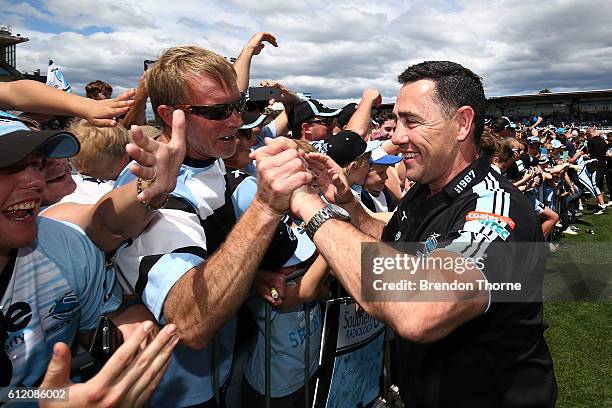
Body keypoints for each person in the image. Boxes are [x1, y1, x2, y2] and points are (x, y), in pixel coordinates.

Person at [257, 61, 556, 407]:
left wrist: (309, 206)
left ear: (461, 124)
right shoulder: (427, 188)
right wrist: (347, 205)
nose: (396, 137)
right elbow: (393, 240)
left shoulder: (497, 208)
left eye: (411, 121)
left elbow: (419, 310)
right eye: (396, 120)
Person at [114, 44, 312, 407]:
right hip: (176, 392)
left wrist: (249, 278)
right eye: (218, 111)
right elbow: (189, 322)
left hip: (225, 371)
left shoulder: (214, 161)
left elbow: (211, 252)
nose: (236, 121)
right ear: (169, 114)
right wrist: (266, 208)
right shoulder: (151, 188)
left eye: (236, 105)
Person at [0, 112, 179, 407]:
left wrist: (131, 333)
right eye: (6, 167)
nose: (34, 180)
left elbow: (108, 318)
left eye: (36, 165)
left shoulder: (67, 247)